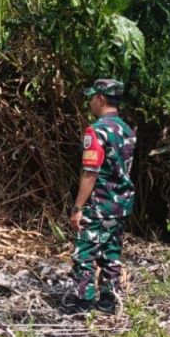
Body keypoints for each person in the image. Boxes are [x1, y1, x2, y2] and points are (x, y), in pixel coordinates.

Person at [68, 79, 136, 315]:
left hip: (99, 203)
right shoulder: (127, 130)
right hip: (121, 203)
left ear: (101, 98)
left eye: (92, 98)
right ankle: (108, 300)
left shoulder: (96, 131)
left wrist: (78, 208)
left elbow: (90, 172)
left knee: (84, 253)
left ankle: (83, 302)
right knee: (111, 253)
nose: (90, 102)